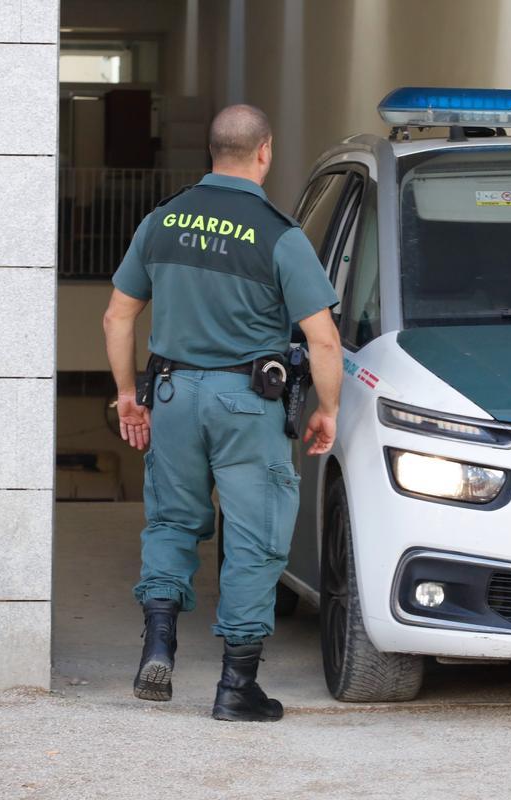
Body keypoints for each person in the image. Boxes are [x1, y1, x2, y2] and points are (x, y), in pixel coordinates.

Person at [102, 104, 342, 722]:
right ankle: (237, 687)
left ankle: (158, 647)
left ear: (213, 152)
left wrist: (129, 396)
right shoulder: (280, 234)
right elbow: (323, 339)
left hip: (173, 396)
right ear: (265, 152)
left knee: (170, 523)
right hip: (245, 404)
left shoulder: (160, 221)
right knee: (255, 538)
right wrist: (329, 410)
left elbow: (117, 316)